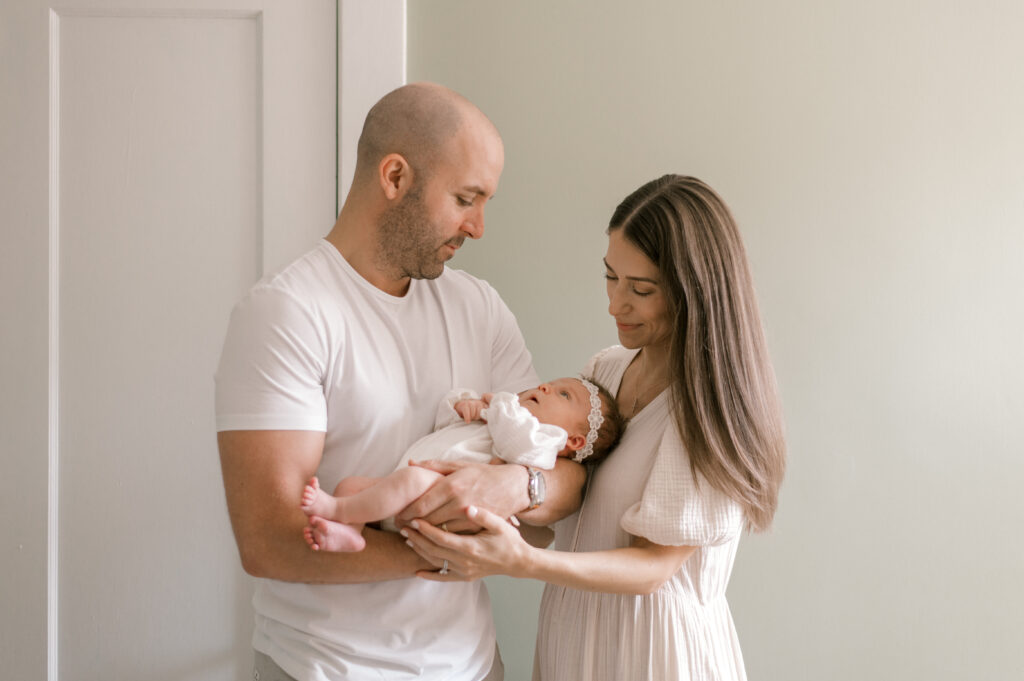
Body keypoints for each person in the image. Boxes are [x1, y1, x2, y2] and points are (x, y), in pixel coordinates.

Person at [215, 82, 587, 681]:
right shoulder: (286, 314)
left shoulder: (479, 308)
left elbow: (565, 474)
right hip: (328, 669)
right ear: (394, 177)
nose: (480, 226)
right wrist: (453, 554)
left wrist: (521, 489)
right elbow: (270, 540)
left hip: (472, 665)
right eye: (467, 198)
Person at [403, 175, 787, 681]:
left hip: (655, 654)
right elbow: (570, 504)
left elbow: (654, 570)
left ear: (694, 294)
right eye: (611, 278)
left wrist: (518, 562)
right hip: (577, 634)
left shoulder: (704, 410)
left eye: (641, 289)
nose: (615, 305)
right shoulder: (605, 371)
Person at [300, 378, 624, 553]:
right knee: (351, 485)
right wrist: (464, 404)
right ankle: (351, 533)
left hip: (433, 495)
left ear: (574, 442)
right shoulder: (503, 414)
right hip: (403, 487)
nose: (545, 387)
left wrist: (498, 403)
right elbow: (445, 421)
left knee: (410, 479)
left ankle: (337, 510)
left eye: (563, 395)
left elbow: (515, 441)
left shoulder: (542, 441)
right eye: (551, 383)